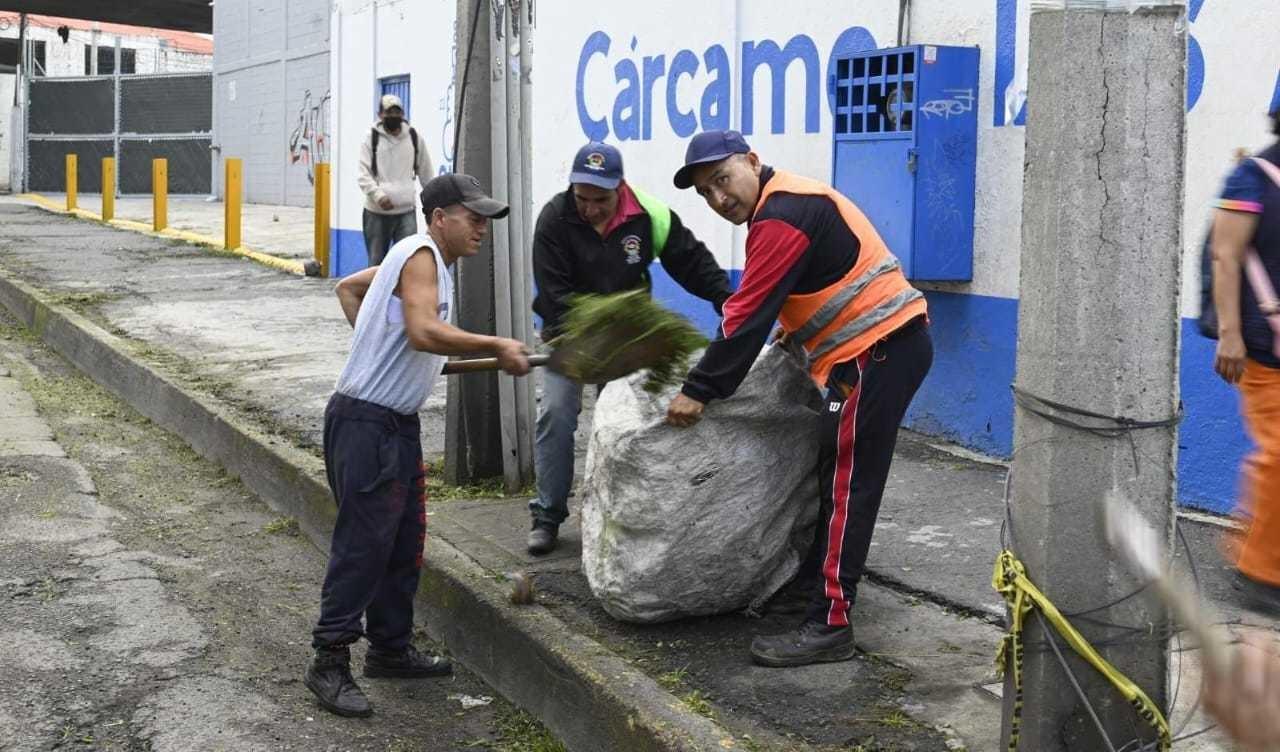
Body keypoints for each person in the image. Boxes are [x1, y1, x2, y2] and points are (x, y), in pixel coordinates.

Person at [664, 130, 932, 667]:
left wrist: (699, 390)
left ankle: (830, 623)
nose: (720, 199)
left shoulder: (780, 215)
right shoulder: (787, 202)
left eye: (722, 179)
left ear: (752, 162)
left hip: (878, 351)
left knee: (849, 483)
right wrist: (798, 329)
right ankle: (813, 587)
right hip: (875, 351)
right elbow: (809, 284)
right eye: (706, 194)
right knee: (833, 472)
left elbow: (745, 317)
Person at [305, 174, 530, 717]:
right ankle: (328, 662)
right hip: (368, 424)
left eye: (485, 218)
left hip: (391, 424)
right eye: (471, 216)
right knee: (363, 547)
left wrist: (382, 348)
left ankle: (390, 649)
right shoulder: (423, 254)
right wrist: (496, 343)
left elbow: (351, 291)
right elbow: (425, 332)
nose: (481, 226)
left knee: (403, 543)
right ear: (437, 217)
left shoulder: (415, 258)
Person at [526, 141, 732, 555]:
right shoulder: (554, 218)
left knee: (620, 426)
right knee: (555, 414)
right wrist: (596, 326)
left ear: (618, 187)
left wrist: (727, 301)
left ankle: (613, 514)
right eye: (582, 198)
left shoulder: (648, 215)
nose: (590, 208)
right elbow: (554, 293)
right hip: (568, 337)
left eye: (600, 199)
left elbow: (692, 262)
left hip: (627, 344)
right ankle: (547, 515)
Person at [1212, 99, 1280, 611]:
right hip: (1265, 348)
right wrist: (1230, 334)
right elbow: (1226, 254)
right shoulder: (1252, 177)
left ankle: (1250, 545)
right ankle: (1258, 575)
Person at [357, 94, 434, 266]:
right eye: (389, 112)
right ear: (380, 115)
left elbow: (426, 172)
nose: (393, 116)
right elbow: (363, 174)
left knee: (408, 261)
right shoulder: (371, 139)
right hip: (376, 213)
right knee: (377, 263)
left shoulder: (414, 138)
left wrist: (433, 202)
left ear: (403, 114)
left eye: (397, 112)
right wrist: (378, 196)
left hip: (406, 212)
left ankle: (403, 294)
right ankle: (379, 293)